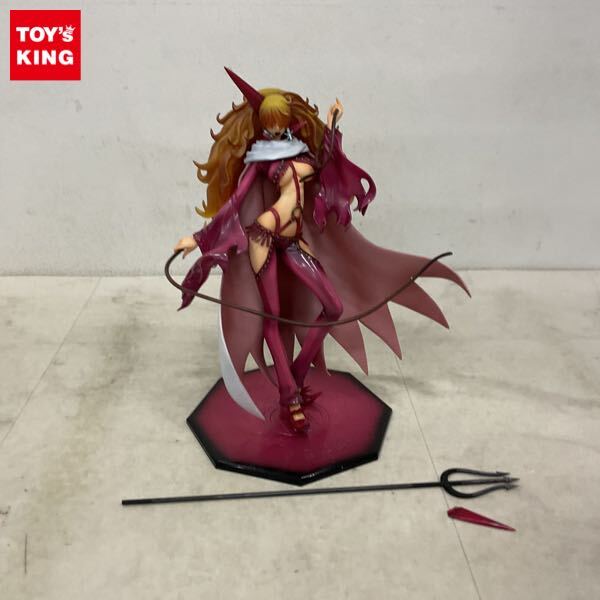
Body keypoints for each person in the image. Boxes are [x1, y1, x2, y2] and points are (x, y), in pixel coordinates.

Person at [174, 67, 468, 433]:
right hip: (264, 236)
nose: (275, 129)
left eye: (280, 122)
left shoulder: (300, 151)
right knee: (272, 318)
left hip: (294, 241)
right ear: (263, 124)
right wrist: (198, 239)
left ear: (287, 120)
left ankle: (297, 374)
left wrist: (330, 124)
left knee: (333, 306)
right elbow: (234, 203)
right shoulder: (259, 159)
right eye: (270, 123)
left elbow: (327, 163)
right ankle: (289, 397)